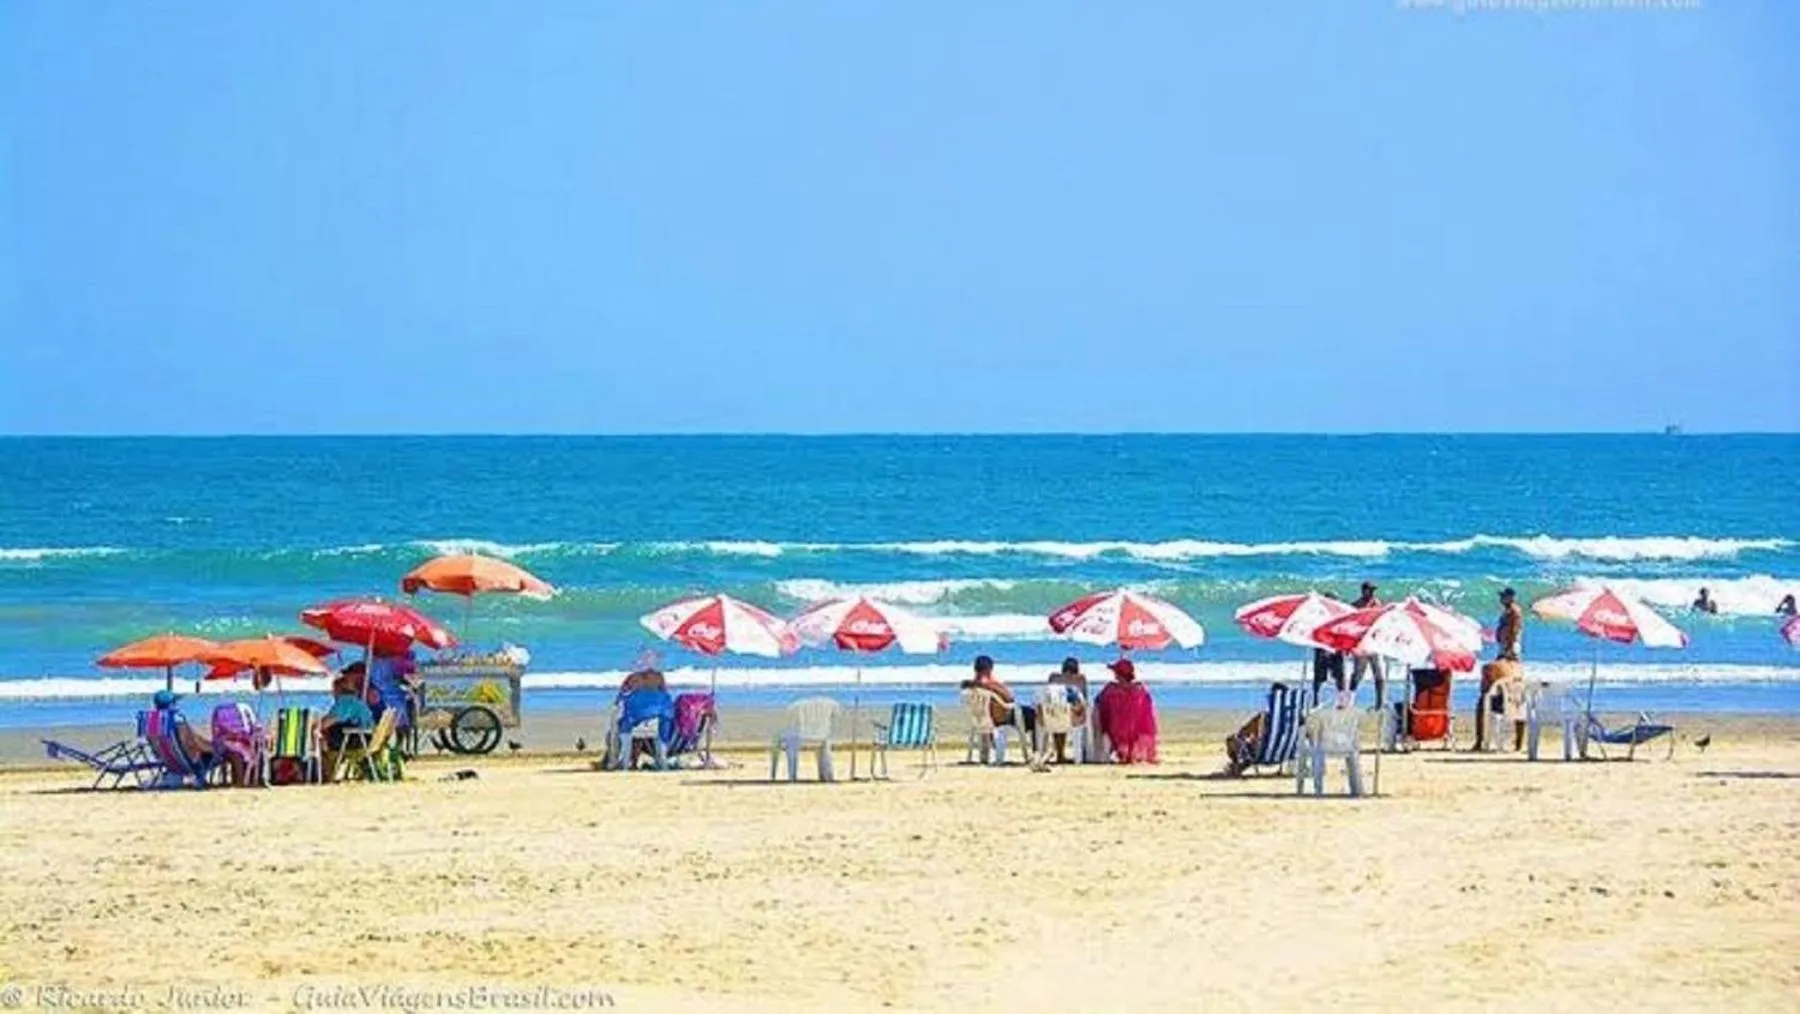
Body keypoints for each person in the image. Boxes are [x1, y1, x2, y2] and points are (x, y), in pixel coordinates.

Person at [1476, 588, 1526, 751]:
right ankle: (1517, 742)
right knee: (1513, 694)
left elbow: (1514, 632)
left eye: (1504, 596)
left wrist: (1508, 649)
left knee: (1507, 692)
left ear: (1510, 597)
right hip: (1506, 651)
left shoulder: (1514, 612)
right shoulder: (1509, 612)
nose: (1501, 599)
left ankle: (1480, 740)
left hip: (1508, 652)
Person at [1094, 659, 1158, 764]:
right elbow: (1147, 710)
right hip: (1135, 729)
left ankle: (1104, 750)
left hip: (1116, 729)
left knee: (1098, 715)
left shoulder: (1111, 690)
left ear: (1118, 674)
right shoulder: (1139, 690)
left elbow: (1098, 703)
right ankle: (1127, 753)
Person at [318, 673, 376, 782]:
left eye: (333, 690)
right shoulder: (356, 701)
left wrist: (316, 726)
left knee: (320, 739)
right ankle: (328, 773)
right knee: (324, 736)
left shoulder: (345, 701)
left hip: (357, 740)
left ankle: (326, 775)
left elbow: (332, 719)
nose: (332, 693)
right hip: (367, 738)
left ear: (338, 689)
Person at [971, 655, 1035, 746]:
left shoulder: (972, 686)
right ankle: (1037, 749)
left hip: (982, 719)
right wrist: (998, 684)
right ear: (989, 669)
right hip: (1003, 718)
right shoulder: (991, 684)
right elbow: (1009, 698)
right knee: (1036, 716)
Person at [152, 689, 216, 771]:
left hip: (168, 762)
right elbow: (193, 741)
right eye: (175, 702)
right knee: (217, 752)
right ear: (171, 705)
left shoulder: (153, 721)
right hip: (188, 763)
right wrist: (212, 747)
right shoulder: (177, 721)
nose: (176, 704)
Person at [1045, 657, 1090, 764]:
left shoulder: (1054, 678)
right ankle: (1076, 756)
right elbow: (1084, 699)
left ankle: (1060, 754)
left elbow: (1049, 697)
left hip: (1054, 716)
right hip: (1073, 718)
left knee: (1058, 718)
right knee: (1070, 715)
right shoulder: (1080, 680)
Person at [1349, 582, 1386, 705]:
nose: (1372, 593)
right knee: (1358, 674)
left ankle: (1380, 703)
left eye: (1373, 591)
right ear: (1363, 591)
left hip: (1375, 643)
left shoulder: (1377, 604)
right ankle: (1350, 699)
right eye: (1370, 590)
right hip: (1361, 644)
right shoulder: (1356, 606)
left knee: (1380, 674)